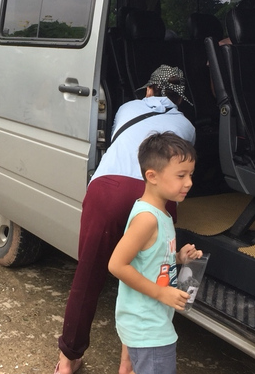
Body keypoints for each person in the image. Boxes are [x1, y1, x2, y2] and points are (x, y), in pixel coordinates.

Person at [56, 65, 196, 374]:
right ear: (181, 101)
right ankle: (128, 365)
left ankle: (68, 361)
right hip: (153, 194)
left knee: (88, 276)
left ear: (148, 90)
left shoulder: (127, 108)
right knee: (150, 266)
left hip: (106, 189)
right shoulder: (185, 124)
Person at [108, 132, 202, 374]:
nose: (189, 182)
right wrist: (161, 293)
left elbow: (150, 258)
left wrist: (179, 257)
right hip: (148, 327)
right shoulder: (147, 219)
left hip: (147, 321)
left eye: (190, 174)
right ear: (152, 176)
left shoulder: (162, 212)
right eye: (181, 175)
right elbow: (117, 265)